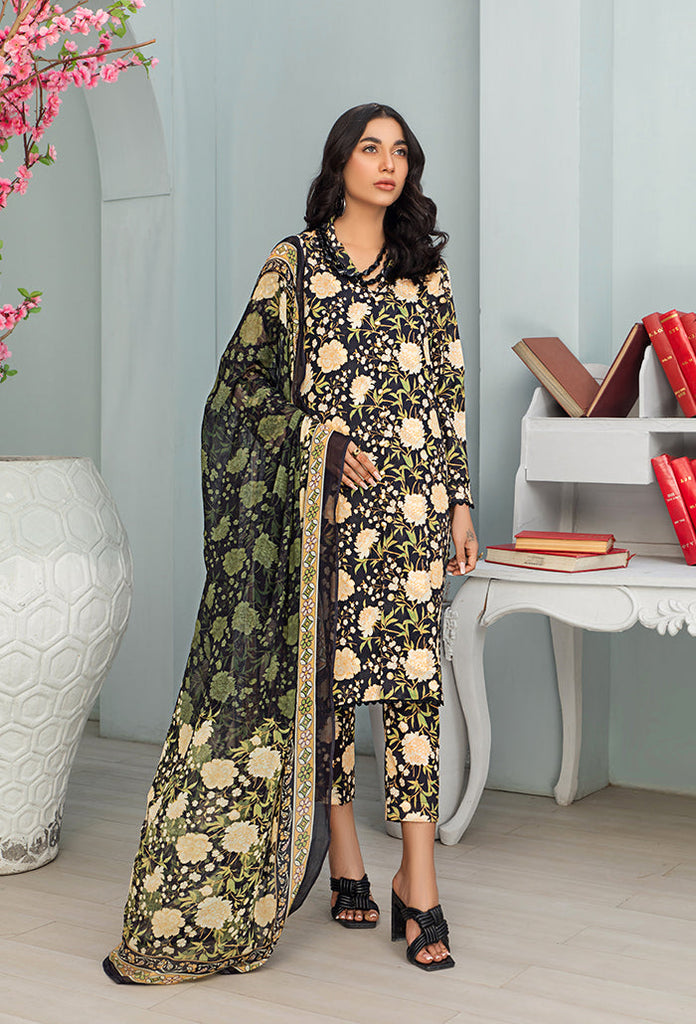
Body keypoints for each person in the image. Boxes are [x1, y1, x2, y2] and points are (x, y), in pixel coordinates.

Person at [103, 102, 477, 985]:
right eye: (369, 148)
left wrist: (460, 503)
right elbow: (239, 392)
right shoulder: (295, 264)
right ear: (340, 162)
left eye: (400, 152)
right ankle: (344, 853)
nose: (386, 163)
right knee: (331, 683)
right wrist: (322, 444)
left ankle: (418, 883)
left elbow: (447, 397)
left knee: (416, 689)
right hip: (327, 517)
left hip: (415, 513)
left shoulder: (426, 273)